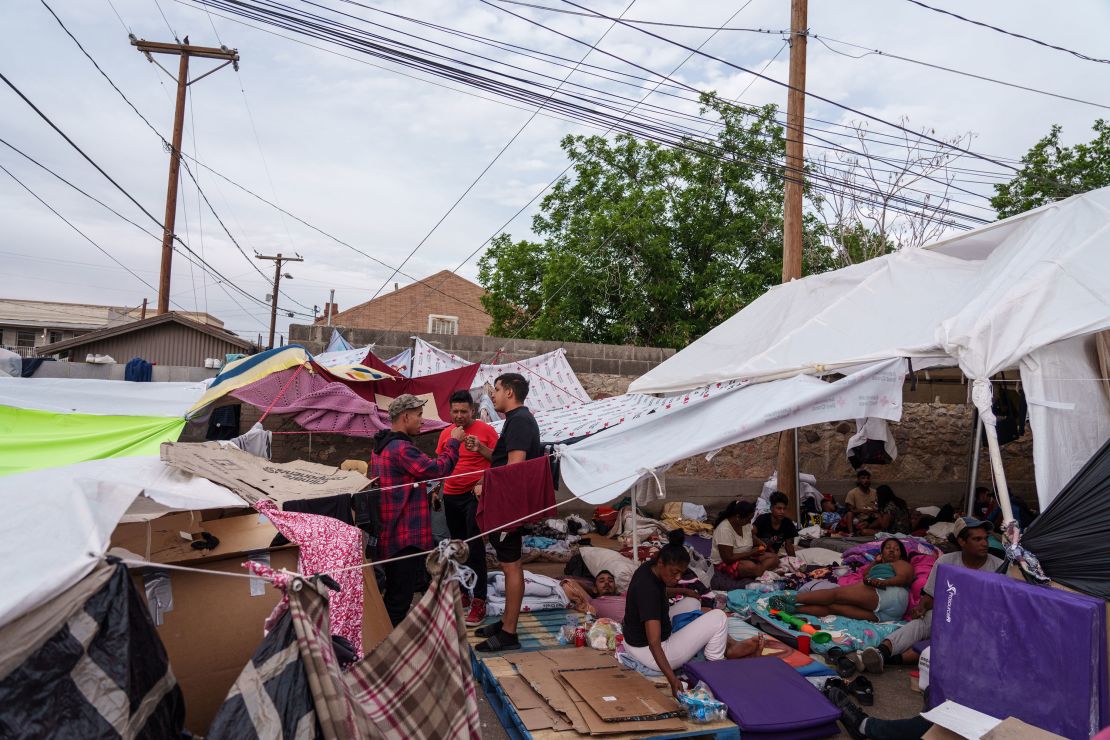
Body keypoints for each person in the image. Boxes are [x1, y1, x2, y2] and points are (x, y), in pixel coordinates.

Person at [623, 530, 768, 697]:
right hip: (649, 653)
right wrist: (672, 679)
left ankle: (728, 646)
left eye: (681, 573)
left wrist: (682, 591)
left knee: (693, 602)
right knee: (718, 617)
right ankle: (716, 665)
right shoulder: (648, 592)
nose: (678, 578)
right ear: (661, 563)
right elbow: (654, 643)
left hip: (635, 640)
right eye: (674, 572)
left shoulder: (650, 568)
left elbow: (661, 589)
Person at [855, 516, 1003, 670]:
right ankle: (881, 651)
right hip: (949, 616)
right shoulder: (946, 562)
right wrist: (922, 607)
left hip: (980, 625)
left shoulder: (999, 567)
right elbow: (930, 596)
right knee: (923, 621)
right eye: (977, 539)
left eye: (985, 538)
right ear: (962, 542)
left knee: (951, 643)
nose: (984, 543)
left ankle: (890, 660)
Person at [370, 394, 464, 626]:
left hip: (392, 533)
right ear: (405, 417)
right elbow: (437, 469)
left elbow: (408, 480)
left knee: (403, 590)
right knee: (398, 600)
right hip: (404, 536)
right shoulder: (401, 448)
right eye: (420, 415)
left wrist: (425, 490)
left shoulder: (381, 446)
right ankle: (388, 651)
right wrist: (453, 442)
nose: (423, 421)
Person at [474, 373, 544, 653]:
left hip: (509, 507)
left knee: (511, 565)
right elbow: (503, 459)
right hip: (506, 504)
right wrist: (481, 449)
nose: (494, 394)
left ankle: (509, 633)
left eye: (498, 389)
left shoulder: (520, 422)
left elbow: (515, 469)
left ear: (511, 393)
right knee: (506, 564)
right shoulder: (516, 421)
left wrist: (485, 486)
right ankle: (505, 622)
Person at [436, 389, 499, 626]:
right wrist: (436, 490)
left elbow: (500, 461)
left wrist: (481, 452)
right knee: (457, 545)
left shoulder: (486, 430)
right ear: (450, 411)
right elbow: (441, 464)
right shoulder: (446, 434)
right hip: (451, 494)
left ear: (472, 410)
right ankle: (462, 592)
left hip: (475, 495)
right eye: (455, 411)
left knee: (474, 546)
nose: (460, 415)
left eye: (464, 411)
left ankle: (480, 599)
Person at [773, 538, 914, 623]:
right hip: (889, 614)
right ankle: (793, 609)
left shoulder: (901, 564)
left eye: (896, 549)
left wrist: (884, 583)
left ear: (901, 555)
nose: (891, 551)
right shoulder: (879, 565)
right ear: (881, 553)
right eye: (888, 548)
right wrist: (876, 562)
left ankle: (792, 598)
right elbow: (866, 576)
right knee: (834, 608)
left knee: (836, 594)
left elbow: (902, 578)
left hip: (889, 592)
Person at [710, 500, 780, 582]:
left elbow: (751, 536)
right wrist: (751, 552)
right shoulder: (724, 529)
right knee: (751, 567)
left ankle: (758, 571)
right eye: (748, 519)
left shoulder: (744, 523)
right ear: (738, 517)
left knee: (774, 558)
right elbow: (728, 559)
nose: (750, 522)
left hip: (744, 556)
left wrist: (761, 543)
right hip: (725, 563)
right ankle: (758, 571)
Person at [753, 491, 799, 556]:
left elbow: (789, 546)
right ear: (771, 508)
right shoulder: (762, 519)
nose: (782, 512)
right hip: (757, 554)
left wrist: (794, 561)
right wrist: (762, 544)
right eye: (779, 508)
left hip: (772, 556)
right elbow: (750, 535)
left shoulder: (788, 523)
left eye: (784, 509)